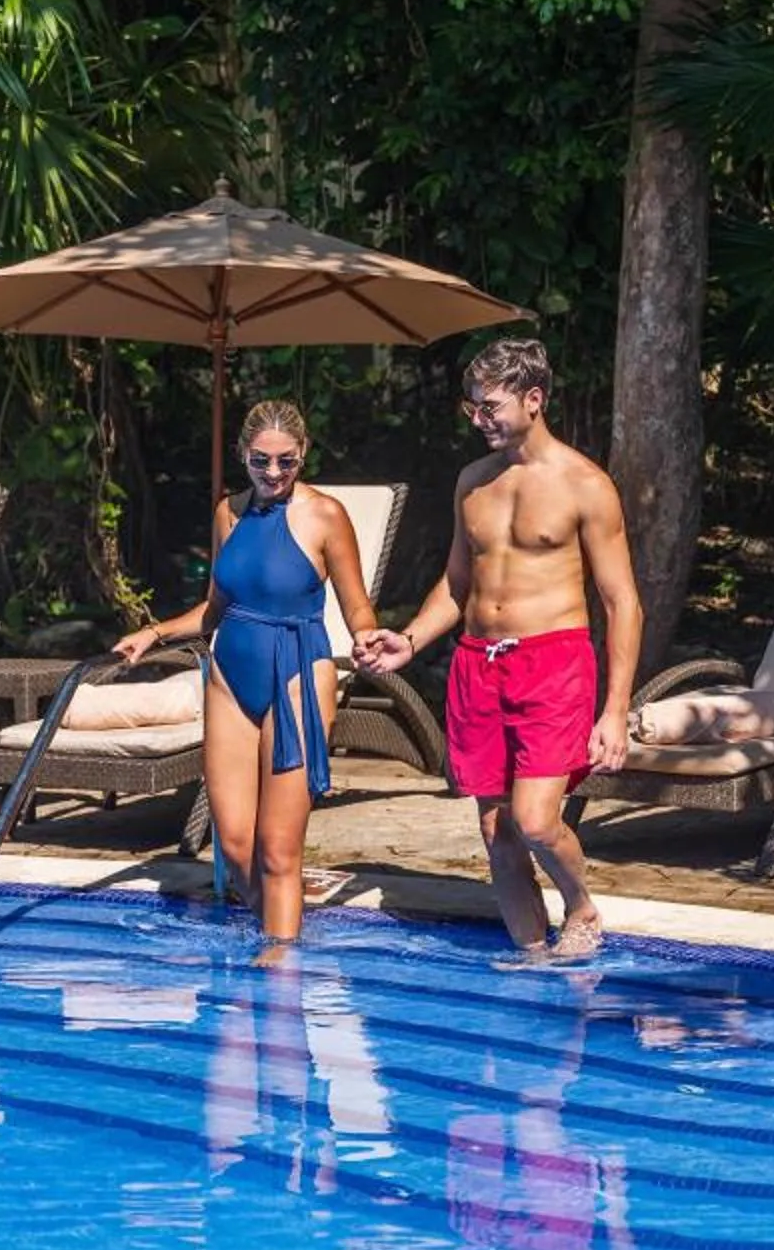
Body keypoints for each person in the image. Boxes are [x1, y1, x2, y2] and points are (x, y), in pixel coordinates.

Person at [355, 339, 639, 960]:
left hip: (553, 663)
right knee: (496, 829)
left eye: (491, 406)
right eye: (472, 408)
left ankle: (582, 905)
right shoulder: (473, 482)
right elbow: (459, 583)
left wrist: (615, 709)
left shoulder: (586, 485)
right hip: (477, 666)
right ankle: (531, 961)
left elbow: (622, 604)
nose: (478, 419)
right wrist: (409, 640)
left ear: (534, 400)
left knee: (535, 820)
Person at [113, 399, 380, 945]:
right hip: (229, 675)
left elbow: (356, 606)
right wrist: (155, 632)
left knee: (278, 849)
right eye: (262, 461)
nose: (274, 473)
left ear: (303, 453)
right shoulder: (226, 514)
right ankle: (281, 945)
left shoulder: (325, 515)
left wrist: (370, 637)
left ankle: (278, 973)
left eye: (286, 461)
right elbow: (214, 609)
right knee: (235, 847)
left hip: (298, 675)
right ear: (243, 455)